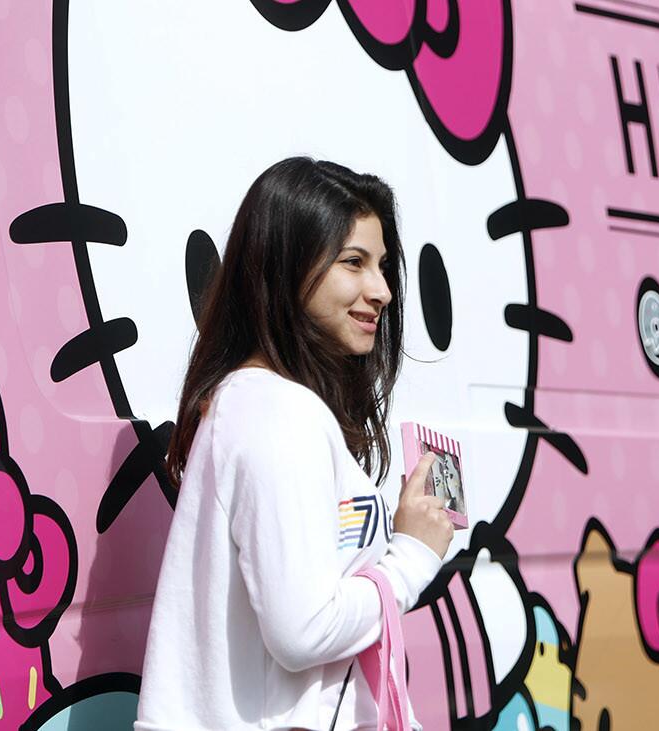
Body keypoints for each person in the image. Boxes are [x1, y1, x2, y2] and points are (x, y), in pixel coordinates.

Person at [134, 157, 454, 731]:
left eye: (381, 266)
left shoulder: (260, 404)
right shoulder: (276, 410)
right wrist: (411, 556)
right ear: (285, 268)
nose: (380, 290)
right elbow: (302, 630)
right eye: (353, 262)